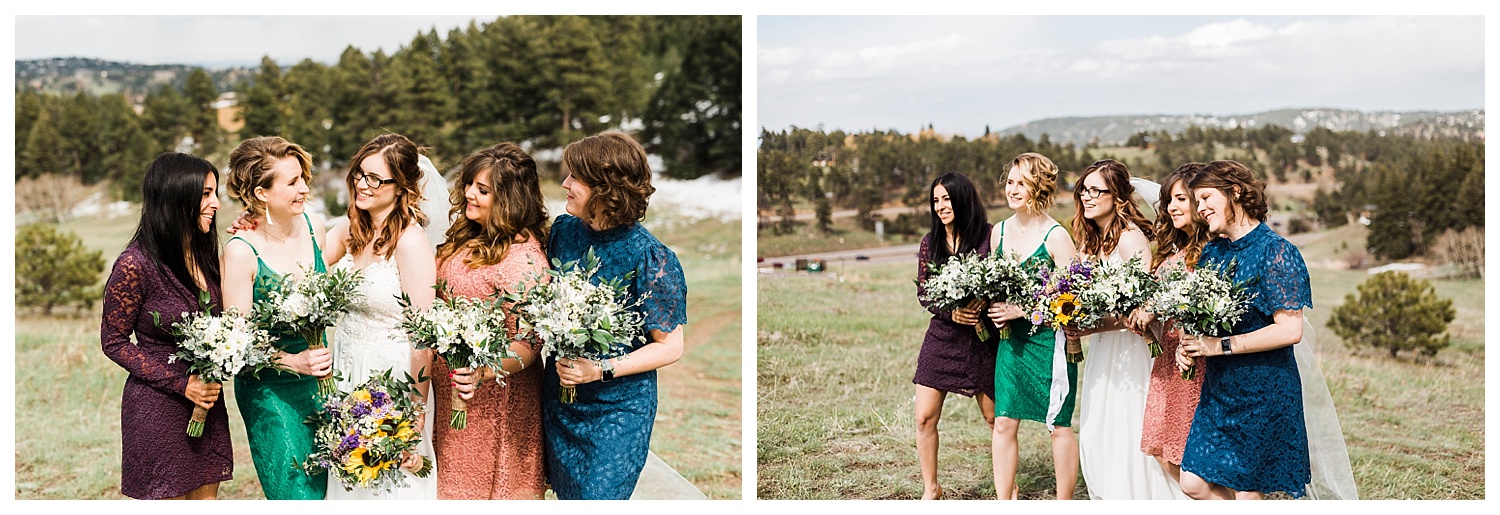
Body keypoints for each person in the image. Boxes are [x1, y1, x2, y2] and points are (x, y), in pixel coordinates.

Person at [542, 131, 687, 499]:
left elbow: (669, 347)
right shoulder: (563, 231)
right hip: (561, 399)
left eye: (576, 177)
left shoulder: (651, 258)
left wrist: (600, 370)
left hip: (617, 411)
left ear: (605, 188)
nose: (565, 184)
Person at [1175, 160, 1313, 499]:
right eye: (1197, 201)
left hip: (1263, 391)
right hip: (1220, 391)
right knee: (1192, 482)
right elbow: (1200, 317)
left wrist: (1218, 346)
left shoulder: (1276, 251)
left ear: (1235, 191)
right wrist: (1188, 346)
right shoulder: (1213, 253)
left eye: (1207, 197)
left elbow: (1289, 331)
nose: (1201, 208)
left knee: (1247, 495)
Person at [100, 152, 231, 499]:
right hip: (158, 409)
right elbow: (113, 341)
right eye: (205, 194)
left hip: (208, 405)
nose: (216, 203)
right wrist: (182, 383)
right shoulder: (135, 264)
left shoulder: (208, 258)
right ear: (175, 198)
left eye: (215, 193)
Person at [321, 133, 438, 499]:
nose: (362, 184)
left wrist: (416, 411)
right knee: (348, 478)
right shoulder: (347, 231)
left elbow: (423, 334)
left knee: (387, 489)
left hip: (392, 379)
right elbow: (300, 271)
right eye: (359, 173)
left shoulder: (410, 242)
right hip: (344, 372)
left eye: (375, 178)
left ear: (401, 186)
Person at [432, 142, 551, 499]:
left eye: (482, 190)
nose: (469, 193)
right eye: (469, 184)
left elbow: (530, 343)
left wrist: (481, 373)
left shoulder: (522, 258)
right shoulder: (468, 236)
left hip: (496, 402)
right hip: (452, 394)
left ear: (510, 199)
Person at [1063, 159, 1183, 499]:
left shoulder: (1131, 238)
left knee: (1126, 428)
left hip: (1132, 352)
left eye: (1095, 190)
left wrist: (1090, 327)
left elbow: (1144, 310)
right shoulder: (1090, 241)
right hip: (1105, 351)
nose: (1086, 196)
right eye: (1083, 189)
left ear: (1117, 197)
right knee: (1097, 430)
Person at [221, 136, 332, 500]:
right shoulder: (241, 251)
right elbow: (236, 341)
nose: (304, 188)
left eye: (303, 178)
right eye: (292, 182)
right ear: (262, 192)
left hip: (325, 383)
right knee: (297, 492)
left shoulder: (315, 226)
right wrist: (293, 361)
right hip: (271, 391)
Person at [985, 152, 1079, 499]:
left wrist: (1021, 309)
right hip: (1011, 344)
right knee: (1004, 420)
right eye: (1010, 181)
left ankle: (1063, 502)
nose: (1013, 189)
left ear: (1038, 187)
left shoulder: (1056, 237)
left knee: (1058, 425)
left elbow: (1072, 299)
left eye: (1021, 183)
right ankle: (1003, 501)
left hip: (1049, 343)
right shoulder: (998, 232)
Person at [911, 171, 996, 500]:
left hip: (980, 337)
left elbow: (999, 280)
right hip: (942, 337)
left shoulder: (988, 237)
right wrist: (951, 312)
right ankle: (931, 489)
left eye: (946, 198)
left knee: (994, 419)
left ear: (962, 199)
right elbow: (925, 293)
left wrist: (981, 303)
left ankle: (1008, 488)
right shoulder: (929, 243)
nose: (940, 206)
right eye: (935, 200)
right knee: (923, 417)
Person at [1126, 163, 1210, 486]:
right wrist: (1143, 318)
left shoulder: (1211, 253)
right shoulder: (1172, 255)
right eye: (1168, 200)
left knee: (1194, 460)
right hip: (1168, 362)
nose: (1171, 207)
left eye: (1180, 199)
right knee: (1163, 450)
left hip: (1196, 361)